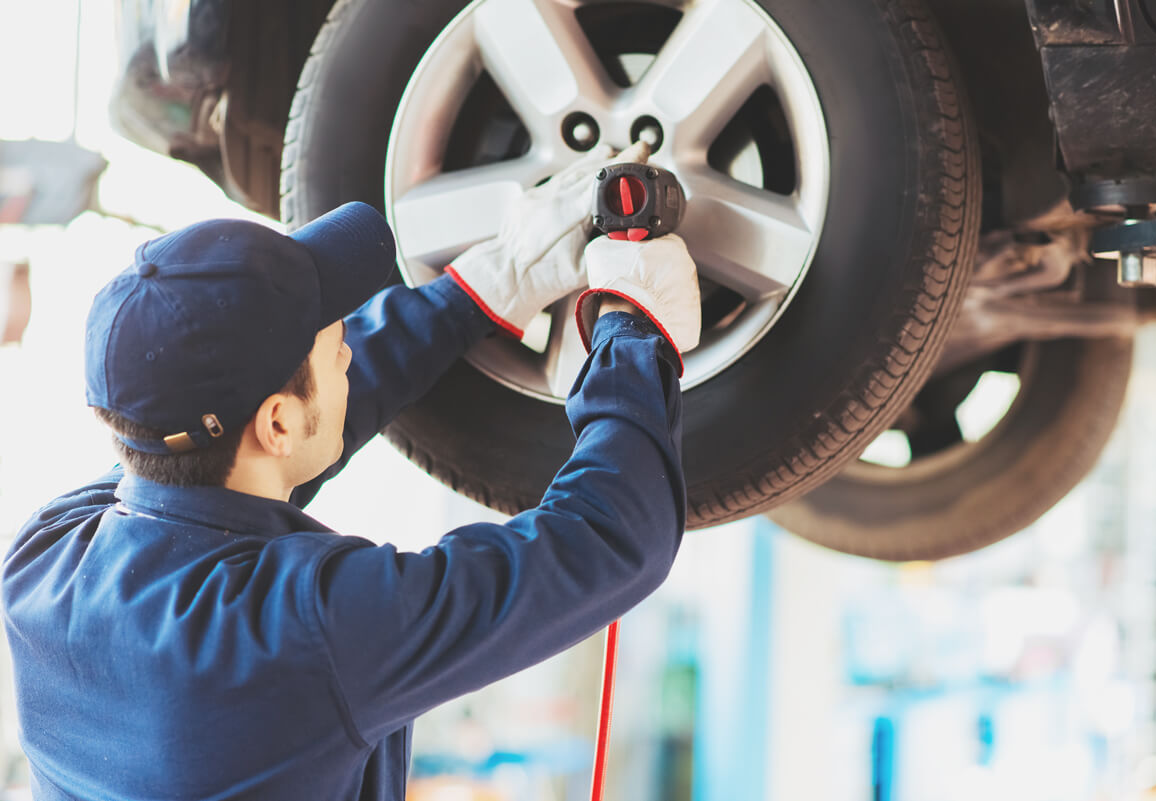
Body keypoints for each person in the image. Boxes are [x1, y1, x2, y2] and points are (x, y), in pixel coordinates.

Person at [1, 143, 701, 801]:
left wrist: (480, 291)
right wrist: (633, 327)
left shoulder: (44, 559)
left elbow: (246, 464)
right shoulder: (306, 633)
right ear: (275, 422)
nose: (348, 352)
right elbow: (612, 538)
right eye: (336, 338)